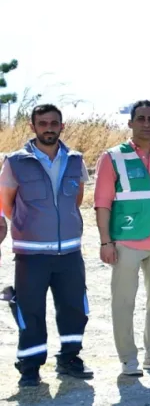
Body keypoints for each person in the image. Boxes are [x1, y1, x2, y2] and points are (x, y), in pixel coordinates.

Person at [0, 104, 92, 386]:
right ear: (33, 127)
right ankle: (30, 367)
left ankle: (69, 358)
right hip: (32, 253)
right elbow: (6, 203)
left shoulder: (75, 160)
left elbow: (76, 200)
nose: (49, 128)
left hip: (70, 252)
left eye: (54, 123)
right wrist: (30, 226)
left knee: (74, 308)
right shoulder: (15, 162)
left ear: (62, 126)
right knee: (31, 311)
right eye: (43, 123)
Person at [95, 100, 150, 376]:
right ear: (130, 123)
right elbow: (102, 202)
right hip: (126, 239)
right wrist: (105, 241)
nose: (146, 124)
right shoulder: (113, 157)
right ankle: (128, 359)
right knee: (123, 301)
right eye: (141, 119)